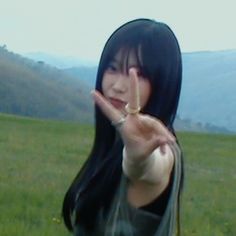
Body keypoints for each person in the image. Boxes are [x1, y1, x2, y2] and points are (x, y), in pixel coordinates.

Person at [62, 18, 184, 236]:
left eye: (139, 75)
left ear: (164, 83)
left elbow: (150, 168)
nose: (117, 86)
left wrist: (138, 160)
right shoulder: (114, 143)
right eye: (113, 67)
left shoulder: (160, 149)